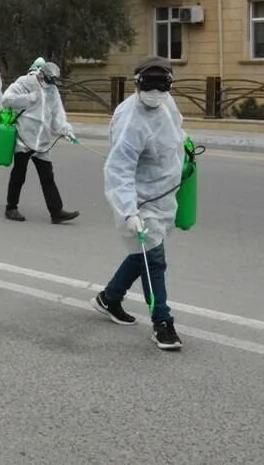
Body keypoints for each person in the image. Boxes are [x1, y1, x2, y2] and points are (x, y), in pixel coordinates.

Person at [91, 55, 185, 351]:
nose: (156, 91)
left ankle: (109, 297)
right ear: (137, 84)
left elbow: (176, 132)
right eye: (150, 84)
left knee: (141, 254)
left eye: (162, 84)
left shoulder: (167, 103)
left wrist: (188, 145)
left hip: (165, 194)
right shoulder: (131, 121)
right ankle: (162, 322)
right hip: (139, 198)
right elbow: (118, 169)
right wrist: (128, 211)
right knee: (154, 259)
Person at [1, 61, 78, 224]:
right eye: (50, 80)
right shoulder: (25, 83)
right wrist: (28, 99)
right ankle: (11, 208)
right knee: (19, 174)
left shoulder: (52, 90)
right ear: (42, 74)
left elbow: (57, 114)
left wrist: (66, 130)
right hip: (24, 138)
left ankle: (56, 212)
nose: (52, 84)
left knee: (48, 176)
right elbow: (6, 100)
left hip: (42, 141)